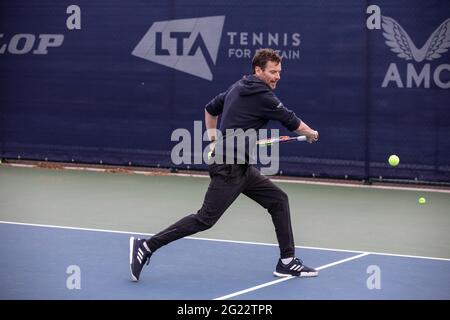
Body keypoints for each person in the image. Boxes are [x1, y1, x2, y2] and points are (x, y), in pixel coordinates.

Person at [130, 48, 319, 282]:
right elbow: (293, 121)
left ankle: (287, 261)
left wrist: (213, 139)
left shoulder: (237, 86)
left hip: (241, 167)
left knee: (278, 200)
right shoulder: (263, 95)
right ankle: (146, 246)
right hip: (229, 168)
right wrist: (310, 133)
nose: (277, 76)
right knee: (204, 219)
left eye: (279, 72)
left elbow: (210, 109)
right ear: (258, 71)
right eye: (273, 72)